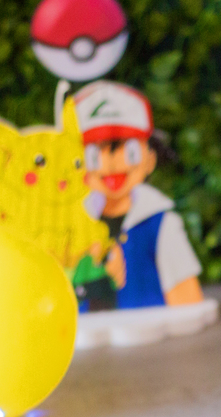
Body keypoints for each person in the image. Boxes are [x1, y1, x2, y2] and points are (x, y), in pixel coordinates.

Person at [70, 81, 204, 311]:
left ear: (150, 158)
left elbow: (185, 295)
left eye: (128, 151)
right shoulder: (71, 221)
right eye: (93, 154)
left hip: (150, 334)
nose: (110, 164)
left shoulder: (160, 223)